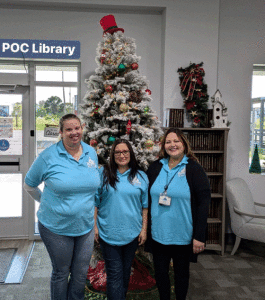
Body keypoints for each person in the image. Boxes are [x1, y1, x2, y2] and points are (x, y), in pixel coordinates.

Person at [24, 113, 100, 300]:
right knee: (61, 272)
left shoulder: (91, 152)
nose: (74, 133)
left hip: (85, 226)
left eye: (77, 128)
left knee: (81, 273)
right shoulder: (48, 156)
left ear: (82, 128)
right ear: (61, 132)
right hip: (56, 227)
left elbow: (93, 186)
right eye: (68, 129)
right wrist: (44, 201)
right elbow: (29, 184)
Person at [145, 128, 211, 300]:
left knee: (181, 276)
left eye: (176, 141)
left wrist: (199, 236)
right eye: (168, 142)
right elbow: (145, 198)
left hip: (183, 235)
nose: (172, 145)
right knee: (160, 274)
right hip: (158, 234)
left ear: (184, 144)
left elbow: (204, 204)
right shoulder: (155, 168)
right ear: (163, 145)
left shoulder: (194, 169)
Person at [95, 139, 148, 300]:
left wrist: (144, 229)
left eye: (125, 152)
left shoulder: (141, 176)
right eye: (118, 152)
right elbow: (95, 202)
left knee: (125, 273)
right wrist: (95, 227)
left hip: (132, 233)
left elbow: (145, 206)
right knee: (115, 274)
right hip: (108, 232)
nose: (122, 155)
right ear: (113, 155)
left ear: (130, 154)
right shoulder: (103, 173)